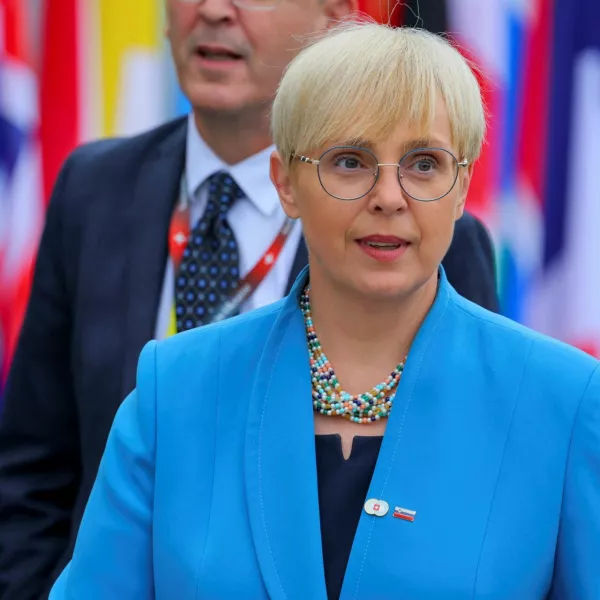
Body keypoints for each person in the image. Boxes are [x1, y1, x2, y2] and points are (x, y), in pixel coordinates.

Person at [49, 21, 599, 600]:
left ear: (462, 187)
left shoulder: (563, 402)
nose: (389, 196)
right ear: (286, 182)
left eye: (424, 163)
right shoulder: (175, 388)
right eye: (349, 161)